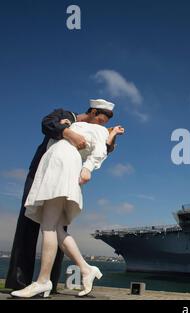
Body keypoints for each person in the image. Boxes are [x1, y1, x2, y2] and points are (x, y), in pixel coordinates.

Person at [10, 104, 125, 298]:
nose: (102, 124)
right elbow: (48, 124)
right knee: (56, 229)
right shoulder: (67, 118)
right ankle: (85, 269)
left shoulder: (95, 129)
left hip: (61, 165)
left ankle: (44, 281)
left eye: (106, 123)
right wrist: (66, 129)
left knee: (48, 226)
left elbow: (101, 149)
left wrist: (89, 166)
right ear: (94, 112)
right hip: (48, 166)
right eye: (100, 119)